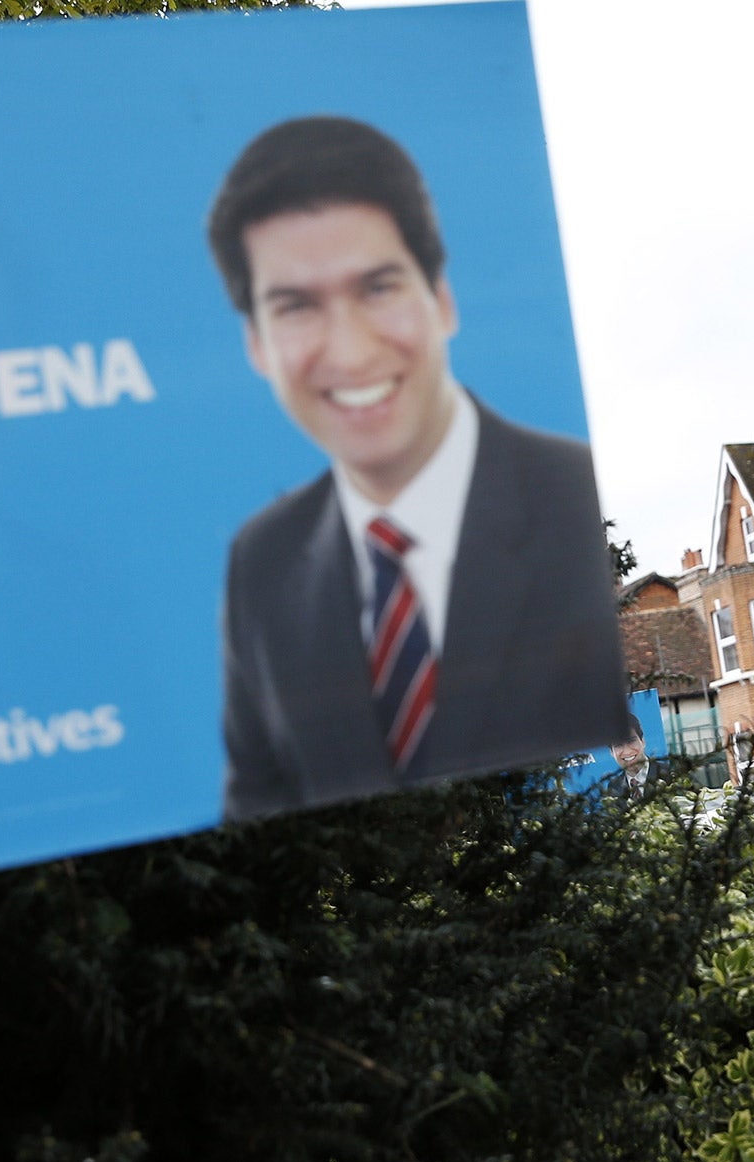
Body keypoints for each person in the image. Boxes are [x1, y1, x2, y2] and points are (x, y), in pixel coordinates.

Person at [207, 116, 626, 821]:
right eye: (296, 307)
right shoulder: (262, 562)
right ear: (255, 344)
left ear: (442, 298)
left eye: (377, 288)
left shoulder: (566, 499)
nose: (350, 350)